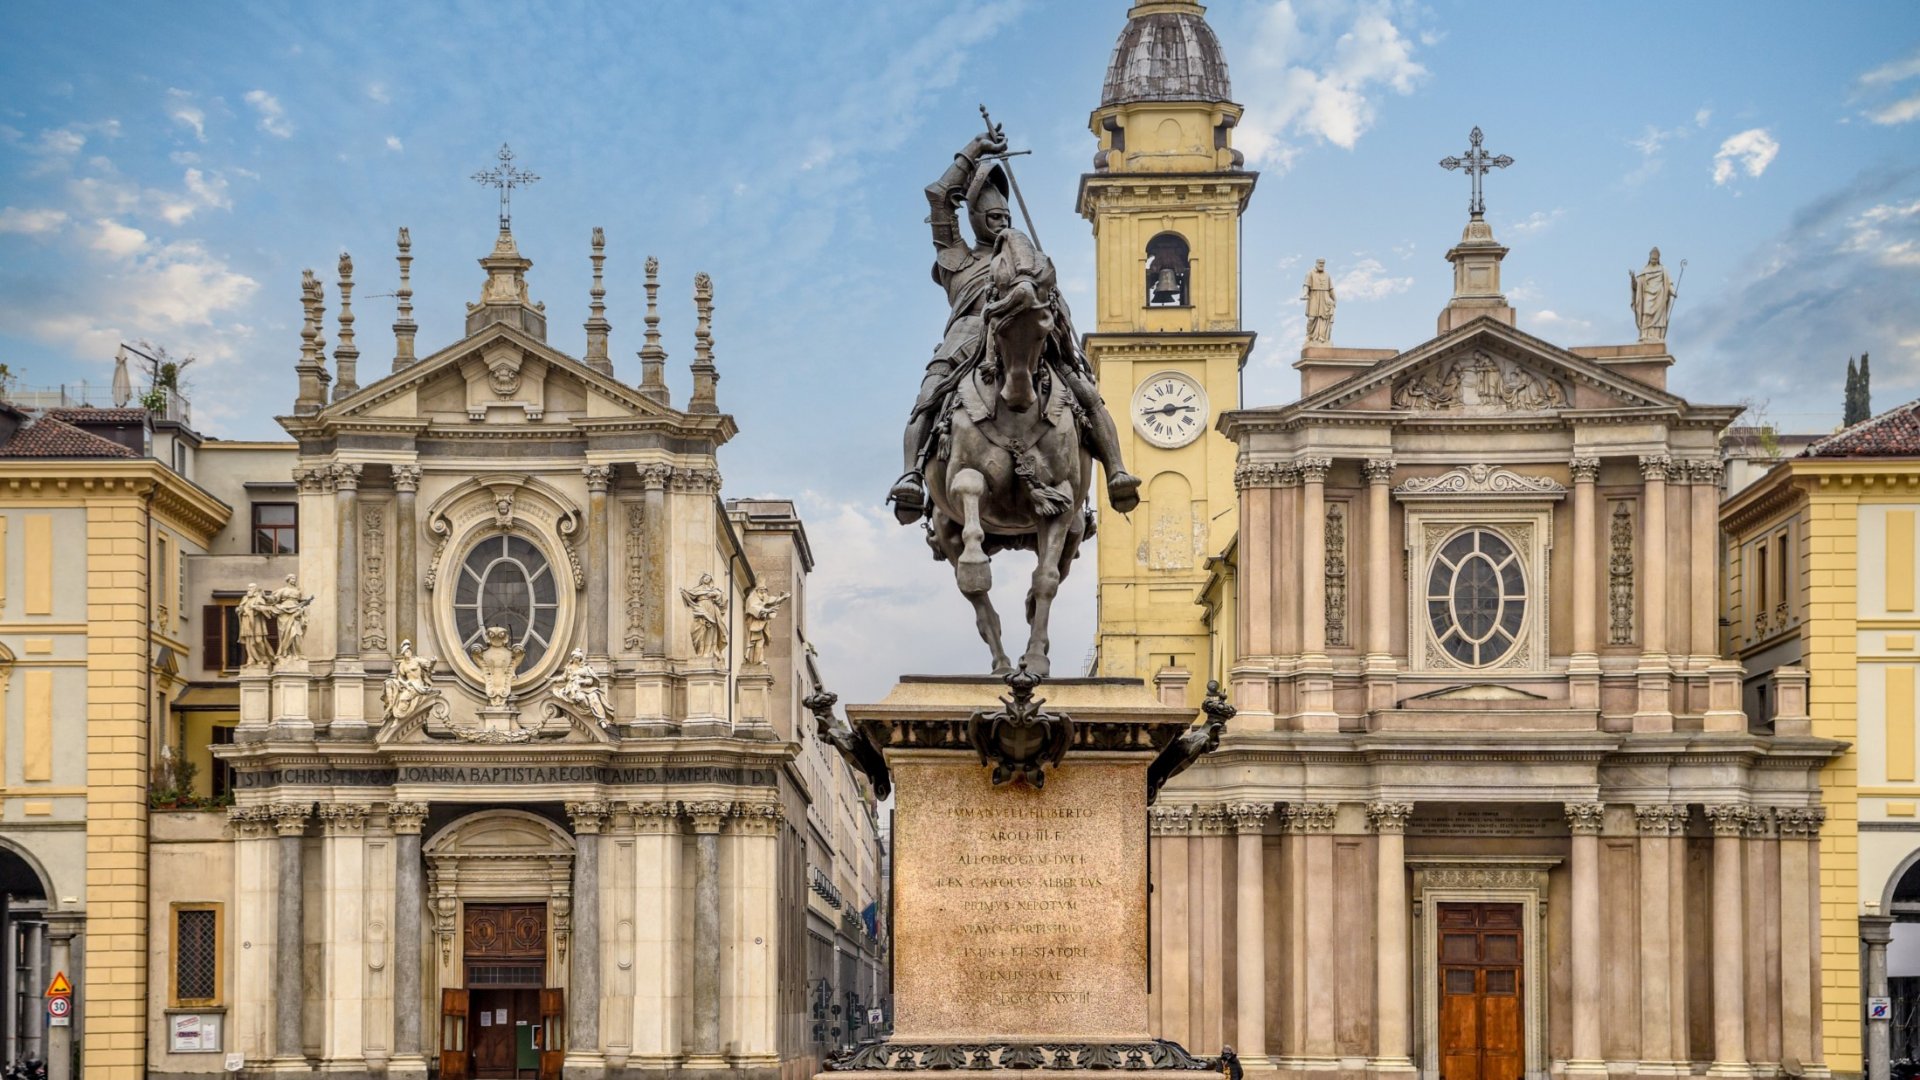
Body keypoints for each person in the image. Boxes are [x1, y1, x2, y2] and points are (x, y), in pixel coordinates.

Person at [887, 127, 1139, 524]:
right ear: (976, 219)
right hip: (968, 336)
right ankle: (911, 477)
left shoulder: (1025, 258)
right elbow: (939, 196)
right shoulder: (958, 257)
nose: (1001, 221)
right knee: (929, 395)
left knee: (1085, 394)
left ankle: (1116, 471)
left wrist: (1052, 309)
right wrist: (973, 150)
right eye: (993, 216)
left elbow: (1051, 298)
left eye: (1005, 216)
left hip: (1028, 331)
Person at [381, 639, 442, 722]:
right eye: (406, 651)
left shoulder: (417, 660)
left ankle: (398, 718)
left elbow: (429, 666)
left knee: (403, 698)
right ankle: (392, 708)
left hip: (418, 685)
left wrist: (433, 661)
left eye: (409, 650)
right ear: (403, 653)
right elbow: (400, 678)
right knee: (389, 683)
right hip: (408, 684)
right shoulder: (402, 664)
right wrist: (405, 684)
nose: (409, 652)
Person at [547, 648, 612, 724]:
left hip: (584, 688)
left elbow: (590, 681)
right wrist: (553, 679)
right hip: (570, 689)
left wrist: (581, 681)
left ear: (580, 658)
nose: (576, 659)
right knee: (580, 698)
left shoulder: (585, 668)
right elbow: (563, 678)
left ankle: (601, 720)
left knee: (594, 697)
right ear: (572, 658)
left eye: (578, 658)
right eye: (575, 657)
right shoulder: (569, 668)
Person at [681, 573, 729, 659]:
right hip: (700, 608)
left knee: (711, 629)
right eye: (706, 577)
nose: (707, 579)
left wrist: (715, 594)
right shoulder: (697, 589)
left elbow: (722, 598)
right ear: (702, 579)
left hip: (711, 608)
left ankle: (707, 651)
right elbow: (689, 595)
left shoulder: (713, 590)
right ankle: (700, 650)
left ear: (711, 580)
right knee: (699, 628)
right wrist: (683, 592)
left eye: (709, 578)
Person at [236, 582, 275, 667]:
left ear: (255, 589)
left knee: (258, 640)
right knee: (249, 642)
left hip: (257, 622)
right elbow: (240, 608)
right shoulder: (245, 598)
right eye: (248, 587)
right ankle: (251, 660)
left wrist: (256, 607)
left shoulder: (259, 598)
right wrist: (239, 609)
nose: (249, 589)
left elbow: (267, 609)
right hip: (246, 621)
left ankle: (264, 658)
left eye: (251, 588)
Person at [1302, 258, 1336, 344]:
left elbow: (1331, 289)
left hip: (1325, 297)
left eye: (1323, 264)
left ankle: (1322, 337)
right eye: (1320, 263)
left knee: (1324, 318)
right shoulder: (1310, 273)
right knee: (1311, 318)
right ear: (1316, 263)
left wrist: (1335, 299)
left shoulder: (1327, 275)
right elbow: (1306, 285)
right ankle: (1309, 335)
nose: (1321, 265)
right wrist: (1305, 293)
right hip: (1314, 296)